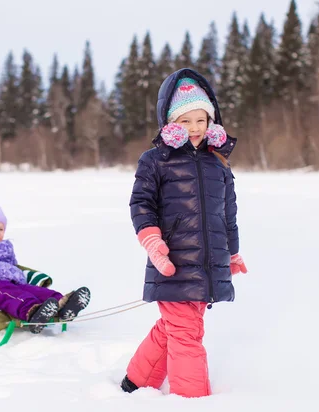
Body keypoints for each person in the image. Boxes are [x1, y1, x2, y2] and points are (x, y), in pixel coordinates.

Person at [120, 68, 248, 398]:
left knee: (175, 327)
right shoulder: (156, 160)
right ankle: (192, 400)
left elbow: (227, 214)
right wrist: (153, 241)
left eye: (201, 120)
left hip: (207, 263)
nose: (194, 128)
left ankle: (137, 379)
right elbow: (141, 203)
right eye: (186, 121)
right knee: (187, 331)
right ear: (171, 122)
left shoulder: (218, 162)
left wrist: (231, 252)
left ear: (211, 121)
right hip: (173, 259)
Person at [0, 188, 91, 334]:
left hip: (12, 280)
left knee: (35, 291)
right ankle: (31, 312)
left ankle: (62, 305)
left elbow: (13, 264)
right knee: (12, 295)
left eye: (1, 229)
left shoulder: (6, 246)